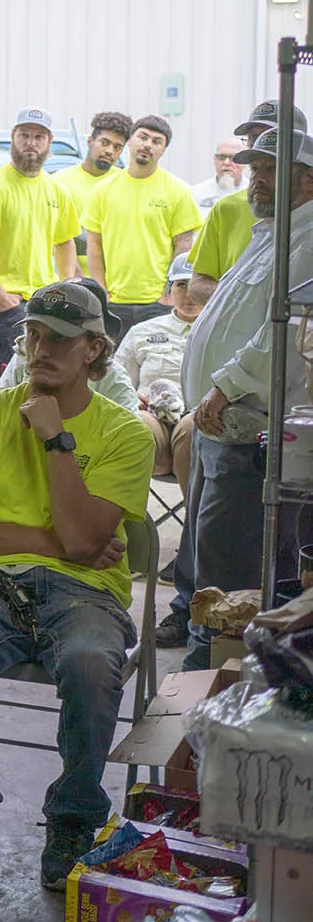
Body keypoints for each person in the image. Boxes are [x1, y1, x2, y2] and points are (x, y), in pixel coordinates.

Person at [0, 281, 154, 890]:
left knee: (89, 663)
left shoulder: (124, 432)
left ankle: (74, 816)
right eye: (33, 336)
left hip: (86, 592)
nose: (41, 350)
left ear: (94, 350)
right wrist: (60, 544)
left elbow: (84, 540)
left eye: (60, 340)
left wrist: (55, 438)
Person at [179, 125, 313, 669]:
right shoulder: (275, 234)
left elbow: (286, 334)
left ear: (307, 181)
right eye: (254, 168)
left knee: (229, 569)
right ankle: (203, 662)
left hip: (249, 427)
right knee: (208, 556)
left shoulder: (309, 240)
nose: (255, 178)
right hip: (222, 424)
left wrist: (226, 385)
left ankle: (212, 673)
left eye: (270, 170)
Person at [0, 107, 81, 369]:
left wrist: (66, 285)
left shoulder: (57, 190)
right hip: (9, 305)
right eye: (24, 135)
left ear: (49, 142)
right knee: (20, 376)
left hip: (46, 301)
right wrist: (0, 297)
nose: (31, 143)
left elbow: (65, 241)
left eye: (39, 137)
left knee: (49, 373)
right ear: (12, 137)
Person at [124, 258, 203, 650]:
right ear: (168, 291)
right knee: (135, 428)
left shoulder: (216, 329)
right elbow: (117, 380)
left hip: (197, 417)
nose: (187, 293)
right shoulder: (143, 331)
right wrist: (136, 401)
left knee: (191, 430)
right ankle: (128, 535)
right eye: (179, 285)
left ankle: (192, 543)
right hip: (152, 415)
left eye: (195, 284)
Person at [83, 115, 201, 330]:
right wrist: (101, 290)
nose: (148, 145)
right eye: (143, 137)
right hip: (114, 301)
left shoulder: (178, 190)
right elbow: (94, 245)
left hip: (157, 303)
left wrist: (168, 294)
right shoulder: (103, 189)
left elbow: (184, 245)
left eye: (157, 142)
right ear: (130, 141)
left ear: (163, 150)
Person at [186, 101, 301, 311]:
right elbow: (198, 284)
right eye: (252, 139)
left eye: (269, 136)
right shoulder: (227, 208)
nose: (259, 145)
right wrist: (242, 303)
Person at [0, 276, 139, 411]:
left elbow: (130, 428)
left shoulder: (113, 380)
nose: (40, 350)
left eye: (59, 337)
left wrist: (53, 430)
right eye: (34, 333)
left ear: (94, 348)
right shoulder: (23, 358)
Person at [54, 111, 131, 275]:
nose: (109, 151)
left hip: (117, 281)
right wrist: (77, 278)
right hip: (73, 280)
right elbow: (54, 237)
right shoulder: (60, 182)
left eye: (117, 147)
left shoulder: (127, 183)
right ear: (90, 141)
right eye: (105, 143)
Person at [193, 135, 247, 212]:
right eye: (222, 157)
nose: (226, 162)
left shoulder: (253, 194)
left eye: (233, 158)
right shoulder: (196, 193)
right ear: (214, 160)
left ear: (244, 162)